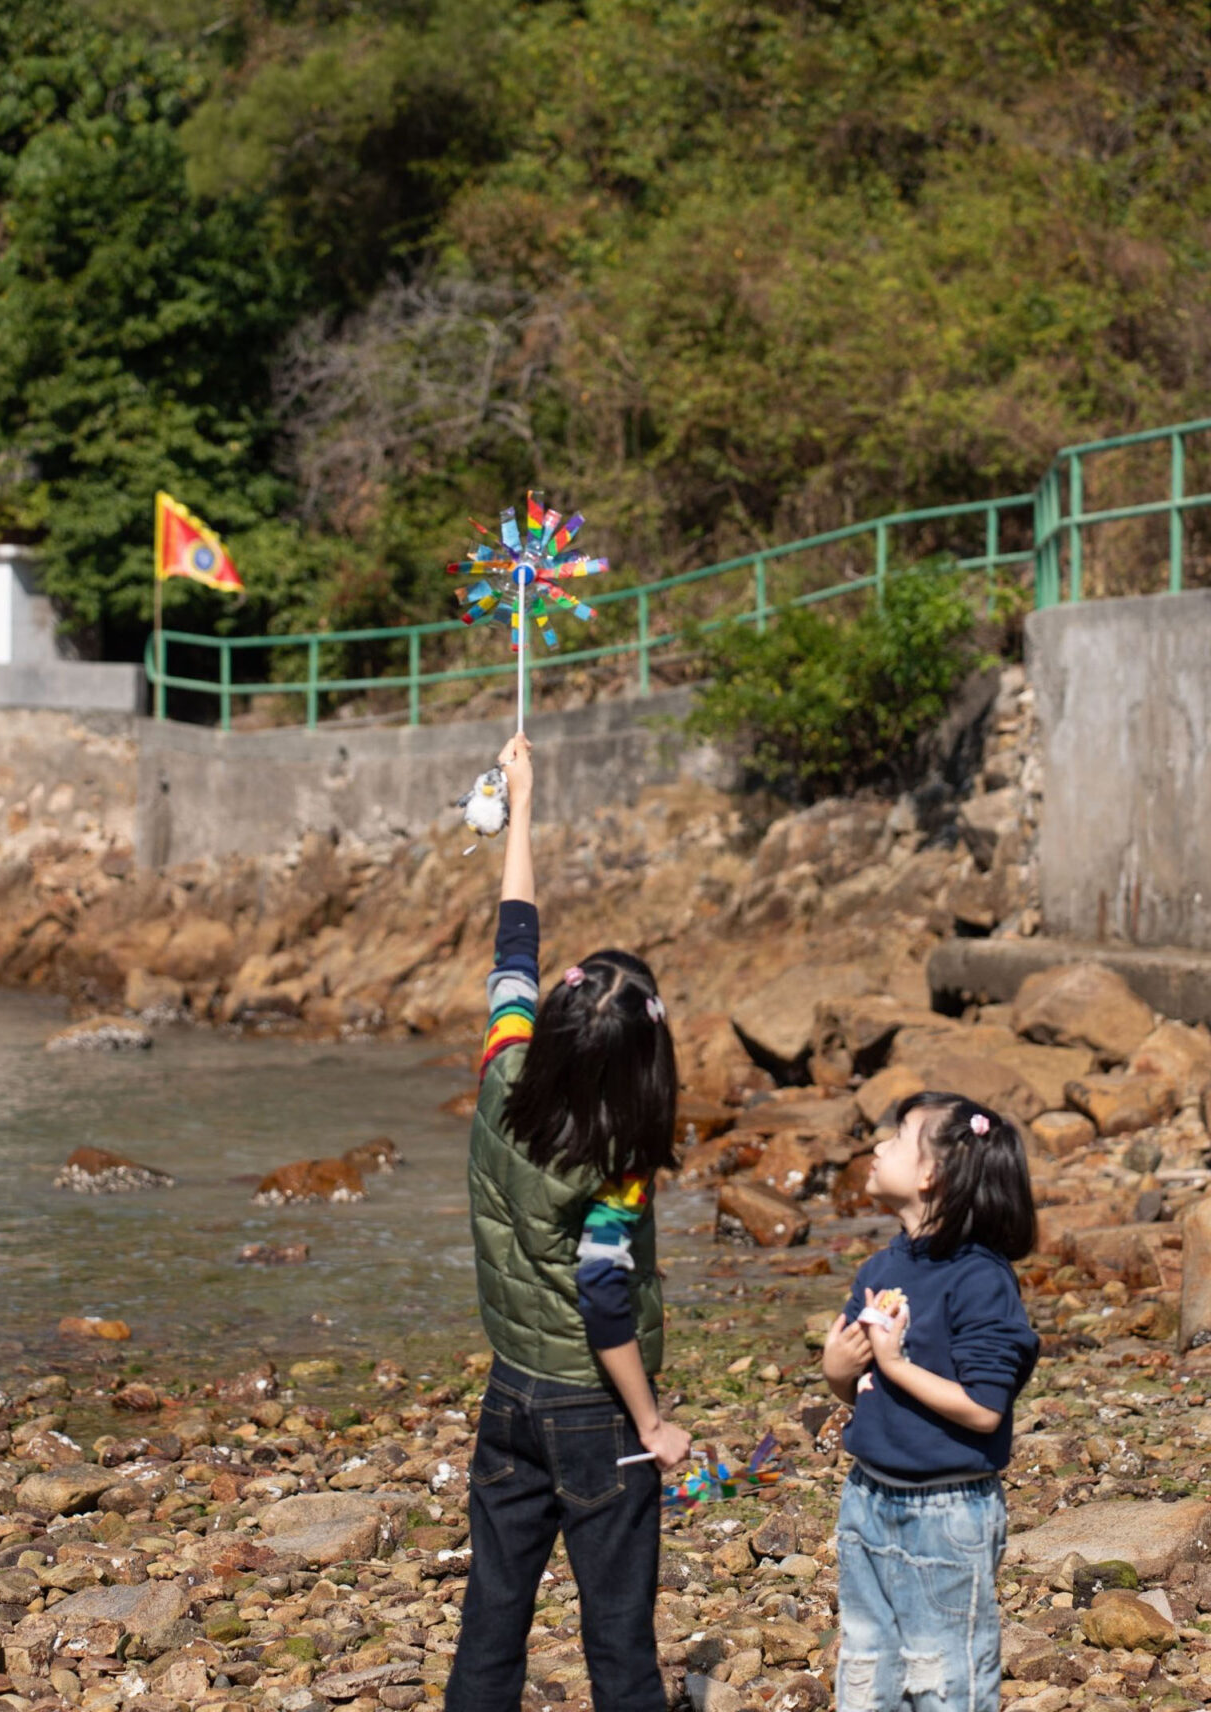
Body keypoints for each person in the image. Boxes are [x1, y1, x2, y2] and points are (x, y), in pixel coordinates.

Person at [445, 732, 691, 1712]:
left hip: (509, 1395)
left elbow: (514, 938)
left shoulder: (504, 1071)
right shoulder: (618, 1164)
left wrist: (524, 802)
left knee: (493, 1616)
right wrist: (653, 1422)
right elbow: (602, 1302)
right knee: (620, 1637)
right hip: (594, 1415)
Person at [821, 1091, 1039, 1712]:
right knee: (866, 1669)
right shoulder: (881, 1267)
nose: (877, 1146)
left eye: (896, 1137)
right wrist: (839, 1370)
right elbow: (860, 1388)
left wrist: (895, 1362)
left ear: (930, 1174)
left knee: (944, 1675)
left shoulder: (980, 1278)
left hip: (947, 1512)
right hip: (867, 1497)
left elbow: (984, 1408)